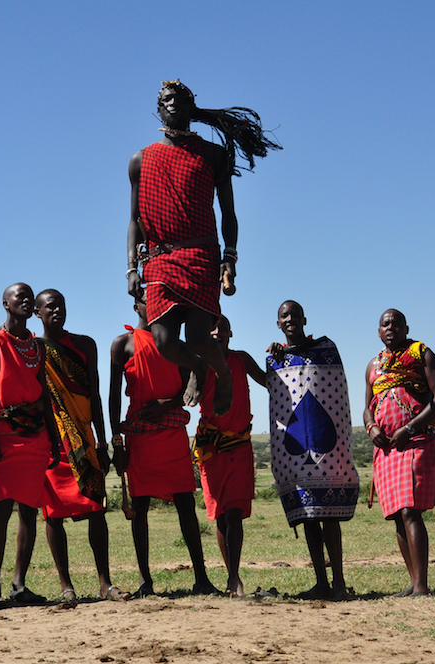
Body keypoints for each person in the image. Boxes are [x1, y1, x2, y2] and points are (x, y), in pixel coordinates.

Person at [126, 79, 280, 418]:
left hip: (200, 256)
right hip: (160, 259)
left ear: (192, 107)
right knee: (164, 341)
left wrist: (230, 258)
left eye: (181, 99)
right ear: (158, 108)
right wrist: (130, 269)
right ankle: (198, 367)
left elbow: (228, 213)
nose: (173, 104)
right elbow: (135, 220)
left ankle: (221, 373)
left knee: (198, 337)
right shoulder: (141, 160)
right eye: (167, 99)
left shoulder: (212, 154)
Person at [109, 290, 217, 597]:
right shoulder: (123, 344)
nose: (153, 304)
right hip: (139, 436)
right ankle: (146, 581)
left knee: (186, 503)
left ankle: (202, 578)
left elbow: (187, 386)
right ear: (136, 304)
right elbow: (114, 395)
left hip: (171, 434)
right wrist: (116, 441)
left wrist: (166, 406)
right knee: (140, 507)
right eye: (146, 299)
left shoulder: (175, 345)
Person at [33, 289, 130, 601]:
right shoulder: (33, 349)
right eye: (50, 307)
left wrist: (102, 441)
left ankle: (105, 583)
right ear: (38, 312)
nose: (57, 311)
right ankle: (66, 586)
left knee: (96, 509)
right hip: (52, 440)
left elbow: (96, 394)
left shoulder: (85, 345)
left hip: (84, 437)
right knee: (52, 515)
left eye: (61, 306)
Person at [0, 283, 62, 610]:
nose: (25, 300)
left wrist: (53, 440)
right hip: (3, 437)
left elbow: (44, 397)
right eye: (18, 296)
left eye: (29, 296)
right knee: (2, 509)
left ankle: (19, 585)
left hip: (36, 437)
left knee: (29, 511)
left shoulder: (36, 346)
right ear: (5, 304)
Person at [266, 300, 360, 599]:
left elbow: (338, 396)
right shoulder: (275, 359)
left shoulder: (326, 349)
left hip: (327, 450)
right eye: (284, 316)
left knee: (329, 515)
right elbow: (276, 394)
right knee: (308, 514)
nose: (290, 318)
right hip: (296, 450)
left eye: (294, 314)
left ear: (304, 319)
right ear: (278, 324)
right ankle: (321, 581)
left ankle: (340, 584)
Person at [363, 309, 435, 598]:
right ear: (378, 331)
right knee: (397, 517)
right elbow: (367, 407)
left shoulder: (421, 353)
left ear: (406, 327)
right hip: (387, 447)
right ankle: (414, 583)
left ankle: (422, 586)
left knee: (411, 510)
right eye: (385, 324)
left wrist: (409, 429)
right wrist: (371, 427)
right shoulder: (373, 365)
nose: (391, 327)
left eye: (396, 323)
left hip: (416, 440)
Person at [193, 315, 267, 596]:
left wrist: (280, 357)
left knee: (234, 513)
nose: (216, 332)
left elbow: (268, 381)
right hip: (211, 450)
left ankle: (233, 578)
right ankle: (232, 576)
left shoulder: (241, 359)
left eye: (221, 328)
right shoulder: (199, 363)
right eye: (210, 328)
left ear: (230, 334)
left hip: (238, 446)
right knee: (221, 516)